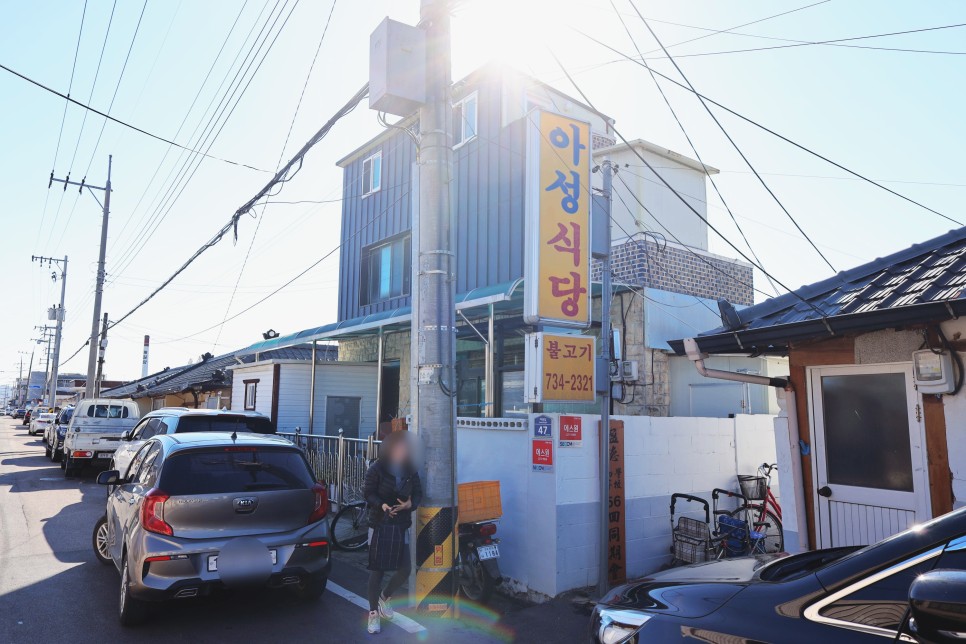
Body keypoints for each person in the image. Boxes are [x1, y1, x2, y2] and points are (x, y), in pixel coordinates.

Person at [362, 430, 422, 635]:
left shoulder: (409, 468)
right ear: (389, 448)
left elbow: (418, 493)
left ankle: (385, 598)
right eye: (399, 447)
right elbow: (368, 493)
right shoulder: (377, 468)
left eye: (405, 448)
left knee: (405, 568)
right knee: (377, 571)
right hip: (379, 525)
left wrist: (409, 504)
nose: (402, 450)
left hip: (400, 526)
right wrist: (383, 505)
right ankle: (372, 614)